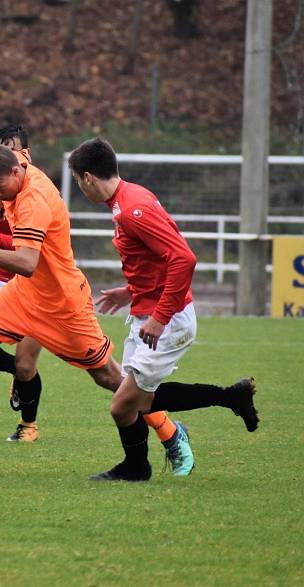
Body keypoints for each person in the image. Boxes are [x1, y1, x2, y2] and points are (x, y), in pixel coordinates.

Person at [0, 143, 194, 476]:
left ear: (15, 172)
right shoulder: (15, 168)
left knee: (110, 378)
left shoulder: (34, 200)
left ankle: (170, 432)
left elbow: (27, 262)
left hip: (62, 305)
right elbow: (0, 188)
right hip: (25, 295)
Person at [68, 137, 259, 481]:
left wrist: (160, 317)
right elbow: (157, 258)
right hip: (147, 310)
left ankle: (138, 466)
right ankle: (231, 399)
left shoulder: (132, 210)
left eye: (79, 183)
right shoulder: (127, 199)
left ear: (87, 177)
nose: (81, 190)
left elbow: (184, 259)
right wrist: (131, 291)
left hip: (166, 320)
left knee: (122, 405)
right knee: (135, 401)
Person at [0, 124, 43, 443]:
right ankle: (14, 372)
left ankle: (29, 426)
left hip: (37, 285)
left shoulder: (33, 192)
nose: (5, 154)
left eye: (12, 148)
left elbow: (20, 244)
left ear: (23, 155)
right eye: (0, 147)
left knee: (27, 363)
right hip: (0, 280)